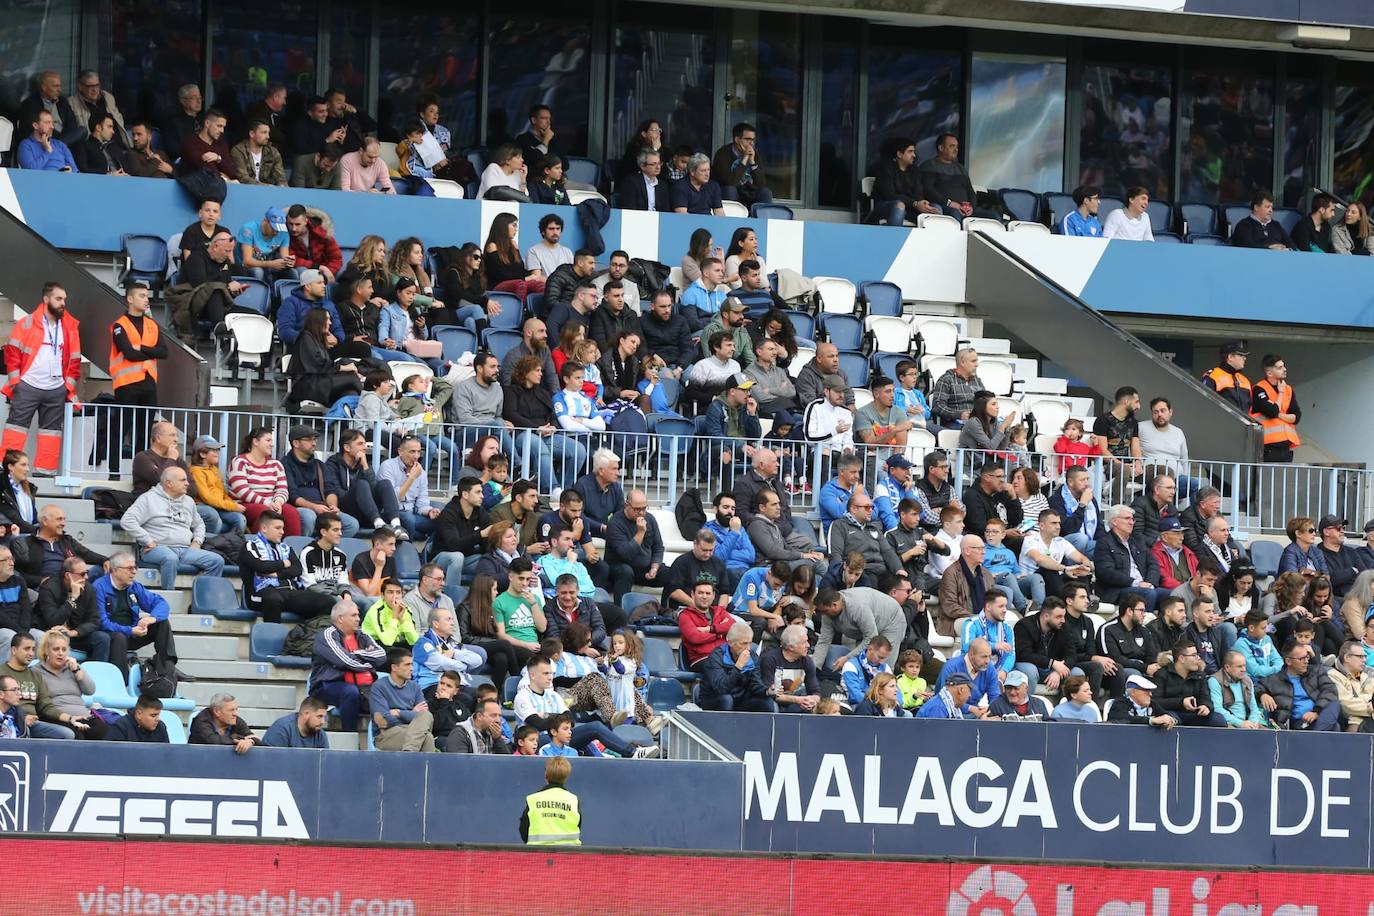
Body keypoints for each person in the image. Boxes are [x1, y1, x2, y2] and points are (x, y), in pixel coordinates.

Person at [1, 282, 80, 476]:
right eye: (58, 299)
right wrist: (16, 382)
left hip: (56, 388)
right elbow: (12, 354)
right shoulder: (27, 322)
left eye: (64, 300)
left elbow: (75, 360)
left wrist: (66, 387)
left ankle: (44, 474)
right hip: (28, 385)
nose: (63, 303)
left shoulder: (70, 326)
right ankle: (7, 471)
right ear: (46, 299)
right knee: (15, 430)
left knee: (51, 434)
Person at [121, 466, 225, 589]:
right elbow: (127, 520)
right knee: (170, 558)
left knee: (216, 561)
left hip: (185, 550)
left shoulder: (188, 501)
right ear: (169, 483)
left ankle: (204, 598)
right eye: (183, 480)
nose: (187, 484)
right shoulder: (148, 498)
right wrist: (147, 540)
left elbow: (199, 524)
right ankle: (169, 598)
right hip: (158, 549)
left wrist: (197, 541)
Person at [106, 282, 166, 475]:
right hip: (127, 385)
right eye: (141, 295)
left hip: (149, 385)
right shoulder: (119, 325)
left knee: (144, 432)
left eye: (146, 296)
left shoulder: (152, 325)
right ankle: (113, 471)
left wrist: (141, 348)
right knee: (120, 428)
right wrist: (149, 352)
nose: (146, 299)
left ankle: (140, 473)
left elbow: (164, 352)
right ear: (130, 299)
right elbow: (129, 353)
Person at [93, 552, 179, 681]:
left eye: (135, 568)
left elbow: (161, 603)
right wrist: (130, 630)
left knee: (162, 623)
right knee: (118, 636)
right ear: (115, 570)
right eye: (129, 568)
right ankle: (123, 681)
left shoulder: (134, 586)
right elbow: (101, 623)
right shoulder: (98, 587)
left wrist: (152, 618)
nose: (134, 572)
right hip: (109, 637)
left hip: (132, 634)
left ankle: (168, 669)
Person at [310, 597, 386, 731]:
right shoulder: (327, 636)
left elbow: (381, 656)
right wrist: (368, 663)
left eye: (358, 615)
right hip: (327, 685)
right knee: (350, 692)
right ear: (340, 618)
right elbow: (344, 661)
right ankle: (349, 735)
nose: (358, 618)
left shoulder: (362, 635)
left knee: (387, 691)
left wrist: (355, 653)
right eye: (354, 615)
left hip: (363, 685)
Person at [283, 426, 359, 538]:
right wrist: (313, 507)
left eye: (314, 439)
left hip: (323, 508)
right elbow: (292, 496)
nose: (314, 443)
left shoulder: (320, 465)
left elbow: (330, 490)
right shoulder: (285, 464)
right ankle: (302, 549)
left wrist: (333, 506)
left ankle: (323, 547)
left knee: (351, 524)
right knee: (309, 517)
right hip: (298, 509)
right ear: (296, 443)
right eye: (309, 439)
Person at [1094, 504, 1171, 612]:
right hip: (1117, 590)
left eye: (1132, 519)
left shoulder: (1138, 541)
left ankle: (1162, 627)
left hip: (1144, 586)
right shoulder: (1104, 543)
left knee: (1171, 595)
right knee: (1148, 594)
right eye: (1127, 518)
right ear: (1114, 521)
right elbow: (1106, 572)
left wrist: (1150, 582)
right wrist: (1135, 583)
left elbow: (1153, 564)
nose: (1131, 522)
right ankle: (1144, 625)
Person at [15, 504, 109, 591]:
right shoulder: (27, 543)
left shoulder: (67, 540)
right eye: (59, 519)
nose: (63, 523)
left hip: (71, 581)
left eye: (64, 519)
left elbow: (87, 554)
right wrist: (40, 580)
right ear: (45, 521)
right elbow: (17, 573)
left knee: (103, 568)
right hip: (44, 588)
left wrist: (105, 560)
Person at [229, 427, 301, 536]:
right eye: (268, 440)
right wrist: (267, 503)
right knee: (265, 513)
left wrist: (278, 502)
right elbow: (242, 491)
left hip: (272, 503)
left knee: (291, 512)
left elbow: (282, 489)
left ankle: (291, 548)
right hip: (246, 504)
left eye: (272, 441)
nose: (272, 444)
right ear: (255, 442)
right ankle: (258, 546)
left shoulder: (276, 464)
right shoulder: (240, 462)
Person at [37, 556, 108, 663]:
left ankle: (94, 675)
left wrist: (74, 632)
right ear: (67, 575)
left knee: (102, 638)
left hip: (75, 635)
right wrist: (72, 598)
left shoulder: (88, 589)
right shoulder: (49, 588)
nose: (87, 577)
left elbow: (94, 620)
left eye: (87, 572)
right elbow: (53, 620)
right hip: (52, 634)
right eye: (82, 574)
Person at [4, 631, 74, 739]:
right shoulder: (1, 673)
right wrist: (21, 718)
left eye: (33, 649)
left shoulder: (35, 676)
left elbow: (46, 706)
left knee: (67, 734)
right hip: (8, 721)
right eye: (27, 649)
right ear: (14, 650)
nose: (31, 653)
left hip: (34, 724)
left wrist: (70, 718)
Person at [699, 622, 778, 712]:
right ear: (730, 642)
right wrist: (738, 667)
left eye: (750, 643)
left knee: (766, 702)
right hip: (714, 699)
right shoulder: (716, 657)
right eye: (743, 643)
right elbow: (721, 688)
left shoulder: (752, 656)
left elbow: (755, 685)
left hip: (740, 699)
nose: (748, 648)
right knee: (727, 699)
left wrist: (767, 691)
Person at [1138, 398, 1204, 499]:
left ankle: (1194, 514)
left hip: (1177, 478)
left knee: (1194, 484)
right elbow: (1132, 449)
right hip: (1152, 478)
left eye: (1163, 410)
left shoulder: (1178, 432)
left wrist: (1184, 476)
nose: (1159, 414)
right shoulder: (1141, 427)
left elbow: (1184, 459)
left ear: (1170, 412)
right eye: (1155, 412)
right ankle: (1167, 510)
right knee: (1164, 483)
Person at [605, 490, 664, 601]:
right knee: (625, 572)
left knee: (671, 574)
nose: (641, 513)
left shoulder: (650, 519)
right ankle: (621, 614)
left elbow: (658, 547)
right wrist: (640, 532)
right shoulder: (615, 523)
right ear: (627, 505)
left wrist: (654, 567)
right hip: (620, 566)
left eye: (644, 508)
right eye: (637, 509)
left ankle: (668, 610)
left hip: (645, 569)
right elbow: (626, 554)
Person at [1096, 594, 1161, 691]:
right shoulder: (1108, 629)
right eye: (1141, 610)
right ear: (1129, 611)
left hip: (1142, 668)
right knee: (1135, 675)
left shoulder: (1144, 631)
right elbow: (1114, 659)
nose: (1144, 614)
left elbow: (1151, 655)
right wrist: (1145, 668)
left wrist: (1153, 667)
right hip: (1116, 672)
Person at [870, 137, 939, 226]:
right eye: (910, 151)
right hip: (885, 207)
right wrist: (915, 203)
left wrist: (922, 203)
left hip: (910, 208)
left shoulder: (915, 170)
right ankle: (893, 238)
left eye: (914, 152)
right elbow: (889, 195)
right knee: (899, 205)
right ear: (899, 154)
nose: (914, 155)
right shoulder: (886, 169)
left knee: (936, 209)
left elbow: (918, 192)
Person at [918, 133, 986, 219]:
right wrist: (949, 203)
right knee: (955, 214)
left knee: (993, 216)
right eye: (952, 146)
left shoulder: (960, 168)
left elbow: (971, 192)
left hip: (965, 209)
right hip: (944, 207)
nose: (956, 149)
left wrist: (971, 207)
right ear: (941, 148)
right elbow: (928, 190)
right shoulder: (929, 166)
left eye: (956, 147)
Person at [1250, 353, 1301, 464]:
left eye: (1283, 366)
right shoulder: (1259, 389)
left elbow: (1296, 417)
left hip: (1286, 449)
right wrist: (1281, 393)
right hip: (1266, 448)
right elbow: (1272, 412)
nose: (1284, 369)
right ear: (1269, 373)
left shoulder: (1289, 389)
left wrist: (1279, 414)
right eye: (1279, 367)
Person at [757, 624, 820, 713]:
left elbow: (815, 691)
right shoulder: (770, 659)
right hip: (774, 701)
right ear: (791, 647)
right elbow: (769, 693)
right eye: (804, 643)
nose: (808, 645)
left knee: (809, 704)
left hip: (796, 701)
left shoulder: (807, 661)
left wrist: (812, 701)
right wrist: (799, 700)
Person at [520, 756, 581, 844]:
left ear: (545, 775)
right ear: (567, 776)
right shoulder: (574, 800)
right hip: (569, 854)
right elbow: (578, 825)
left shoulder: (533, 799)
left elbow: (524, 829)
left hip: (537, 853)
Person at [712, 122, 772, 207]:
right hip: (730, 191)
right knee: (730, 190)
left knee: (766, 192)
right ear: (737, 140)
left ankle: (761, 219)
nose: (751, 143)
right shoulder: (723, 154)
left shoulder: (755, 155)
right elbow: (730, 182)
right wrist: (744, 159)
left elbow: (761, 183)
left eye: (753, 140)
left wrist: (752, 162)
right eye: (747, 139)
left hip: (749, 191)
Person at [1208, 649, 1270, 729]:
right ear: (1227, 667)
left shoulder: (1247, 680)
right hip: (1228, 724)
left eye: (1244, 666)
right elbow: (1217, 709)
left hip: (1247, 723)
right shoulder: (1215, 681)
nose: (1244, 669)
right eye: (1239, 666)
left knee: (1269, 735)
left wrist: (1252, 722)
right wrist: (1240, 723)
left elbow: (1254, 708)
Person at [929, 348, 984, 429]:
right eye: (973, 361)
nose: (977, 364)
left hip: (977, 421)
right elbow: (937, 406)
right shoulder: (946, 379)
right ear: (962, 363)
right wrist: (959, 415)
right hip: (955, 422)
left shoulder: (977, 380)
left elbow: (985, 402)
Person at [178, 108, 236, 181]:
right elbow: (205, 168)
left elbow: (232, 172)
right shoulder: (190, 143)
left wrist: (218, 159)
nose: (222, 131)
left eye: (223, 127)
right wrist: (224, 178)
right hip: (194, 188)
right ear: (207, 123)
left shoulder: (221, 143)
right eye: (219, 126)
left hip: (218, 187)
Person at [189, 693, 261, 752]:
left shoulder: (235, 720)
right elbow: (213, 741)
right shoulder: (201, 721)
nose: (235, 713)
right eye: (231, 710)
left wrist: (250, 741)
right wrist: (238, 738)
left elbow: (255, 739)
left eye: (236, 709)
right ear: (217, 711)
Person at [1330, 640, 1374, 732]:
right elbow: (1346, 704)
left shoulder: (1367, 676)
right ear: (1347, 657)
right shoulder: (1333, 676)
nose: (1365, 660)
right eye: (1360, 657)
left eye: (1365, 656)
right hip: (1352, 724)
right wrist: (1371, 704)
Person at [1202, 340, 1252, 414]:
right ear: (1230, 357)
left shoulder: (1245, 380)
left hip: (1243, 424)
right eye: (1241, 355)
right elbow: (1204, 403)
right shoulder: (1213, 376)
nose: (1245, 358)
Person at [1105, 674, 1174, 727]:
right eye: (1146, 691)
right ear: (1133, 692)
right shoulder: (1120, 703)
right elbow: (1125, 719)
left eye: (1150, 691)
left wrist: (1170, 720)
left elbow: (1165, 715)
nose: (1150, 694)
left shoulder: (1152, 704)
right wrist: (1151, 720)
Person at [230, 119, 285, 185]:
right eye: (264, 132)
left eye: (268, 133)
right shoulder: (238, 151)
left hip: (268, 193)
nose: (268, 136)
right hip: (245, 191)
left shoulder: (273, 152)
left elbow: (281, 179)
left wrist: (283, 188)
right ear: (252, 134)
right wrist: (266, 187)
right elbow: (242, 178)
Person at [262, 696, 331, 749]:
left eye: (324, 717)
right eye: (319, 716)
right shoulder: (282, 729)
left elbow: (325, 763)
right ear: (306, 714)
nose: (322, 722)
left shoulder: (320, 734)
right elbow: (272, 762)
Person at [0, 450, 39, 538]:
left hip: (28, 536)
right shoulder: (2, 488)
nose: (27, 469)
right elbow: (14, 519)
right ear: (11, 467)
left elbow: (34, 517)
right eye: (23, 465)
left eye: (27, 465)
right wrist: (38, 531)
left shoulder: (29, 488)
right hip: (9, 539)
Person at [104, 693, 169, 743]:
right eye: (153, 715)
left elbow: (166, 755)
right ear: (139, 714)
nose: (158, 719)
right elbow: (110, 755)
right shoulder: (121, 727)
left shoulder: (160, 727)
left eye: (158, 715)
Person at [621, 147, 669, 212]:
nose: (658, 167)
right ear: (642, 166)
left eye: (659, 163)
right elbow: (630, 209)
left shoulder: (663, 185)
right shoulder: (632, 182)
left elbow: (666, 211)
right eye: (653, 164)